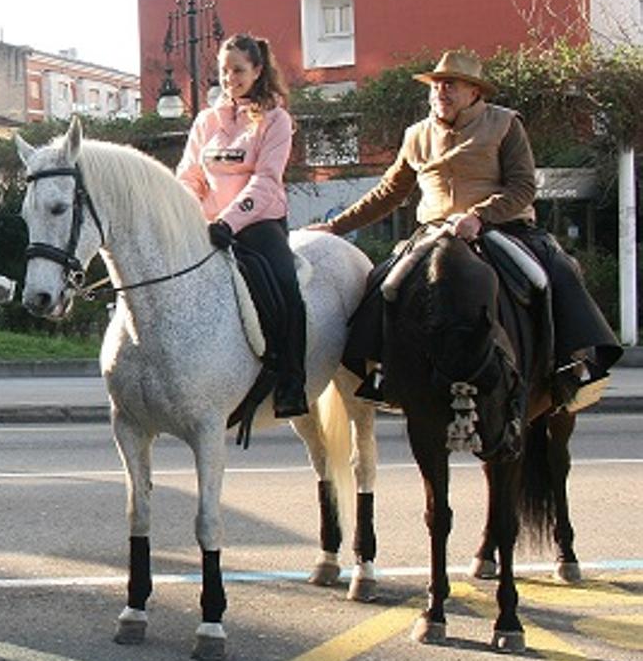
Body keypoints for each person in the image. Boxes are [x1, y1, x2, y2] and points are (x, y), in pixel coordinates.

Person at [309, 50, 620, 407]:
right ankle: (381, 371)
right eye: (436, 86)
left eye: (450, 85)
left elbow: (522, 187)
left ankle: (573, 368)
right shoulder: (416, 135)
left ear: (474, 92)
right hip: (434, 234)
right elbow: (388, 193)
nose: (440, 92)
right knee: (383, 284)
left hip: (503, 227)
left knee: (553, 273)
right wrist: (335, 227)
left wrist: (479, 216)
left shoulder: (505, 124)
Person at [175, 33, 307, 418]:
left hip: (258, 223)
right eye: (223, 70)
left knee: (285, 288)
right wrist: (187, 214)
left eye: (238, 70)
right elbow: (190, 175)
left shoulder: (276, 119)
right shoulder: (206, 120)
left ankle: (291, 380)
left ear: (258, 71)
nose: (230, 78)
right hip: (209, 224)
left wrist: (229, 222)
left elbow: (266, 181)